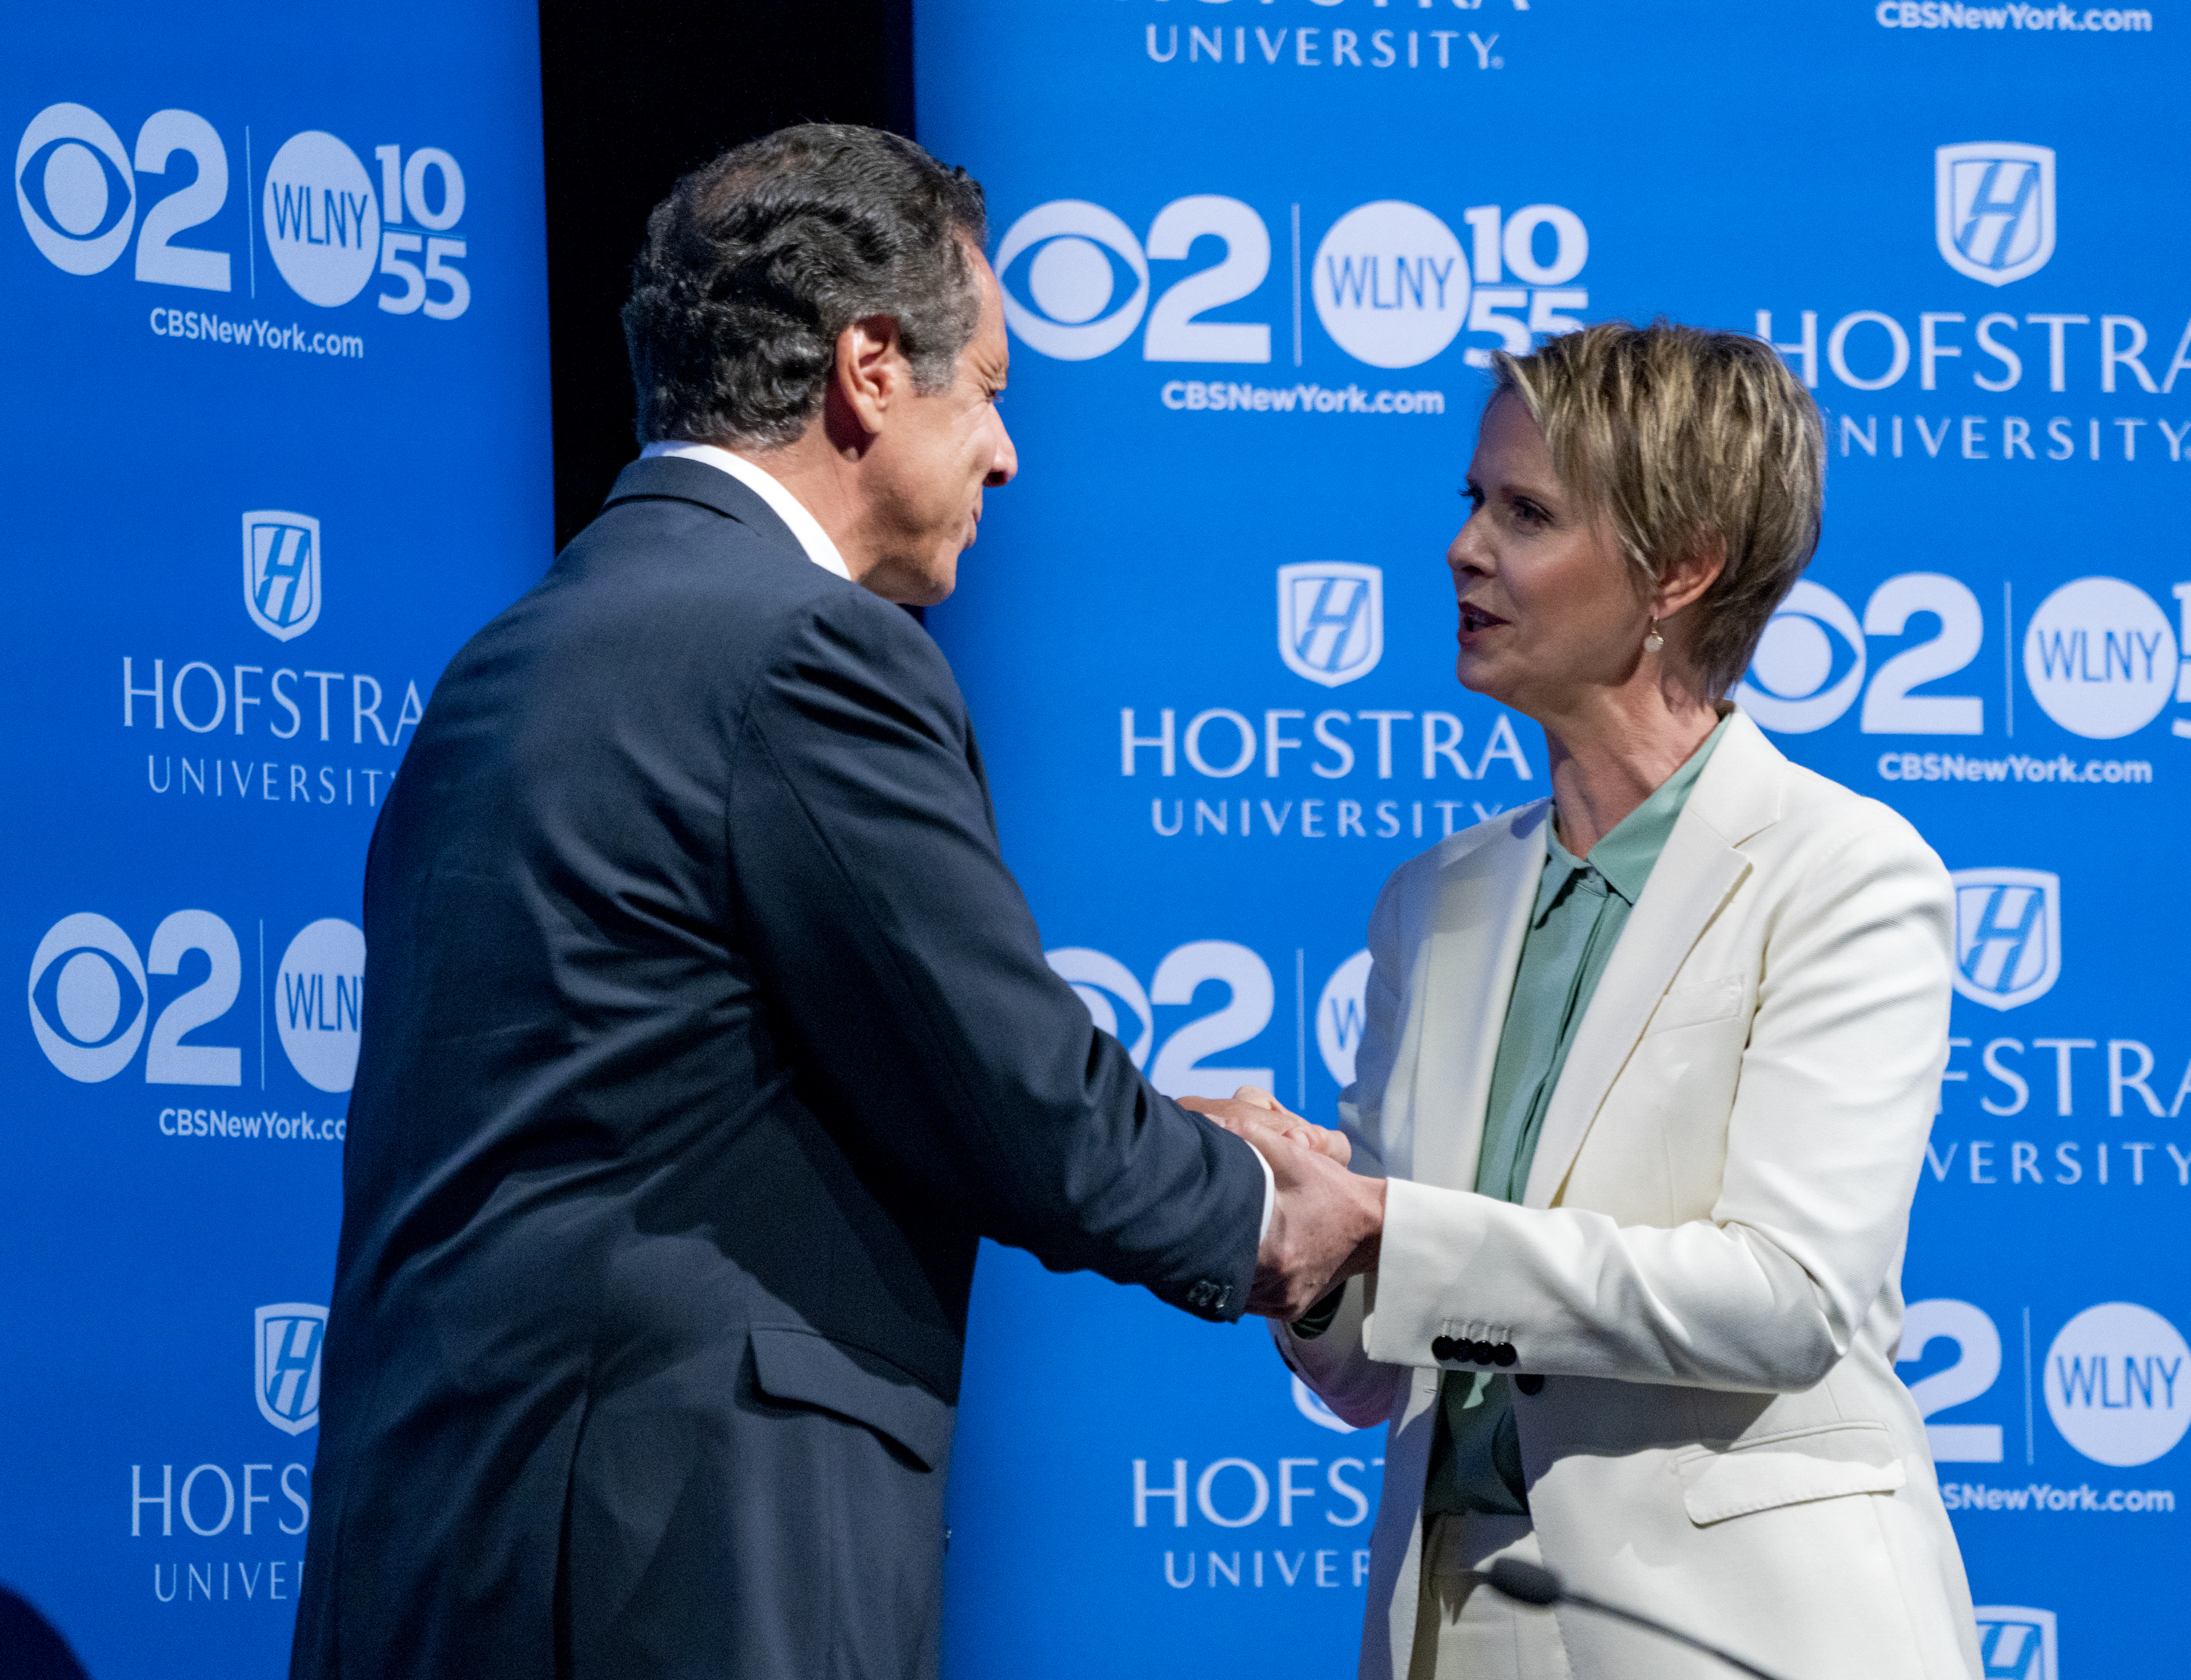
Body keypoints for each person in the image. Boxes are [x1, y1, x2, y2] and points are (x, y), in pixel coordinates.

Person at [289, 126, 1379, 1680]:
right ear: (871, 369)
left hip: (449, 1560)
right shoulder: (805, 651)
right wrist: (1277, 1217)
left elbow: (721, 1090)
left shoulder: (519, 654)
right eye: (990, 387)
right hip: (667, 1573)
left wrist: (1173, 1132)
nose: (1007, 450)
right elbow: (1017, 1100)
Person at [1272, 321, 1982, 1680]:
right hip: (1449, 1622)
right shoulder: (1433, 900)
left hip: (1736, 1631)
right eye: (1473, 501)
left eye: (1525, 512)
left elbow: (1785, 1295)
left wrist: (1386, 1223)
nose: (1464, 548)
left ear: (1683, 568)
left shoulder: (1844, 873)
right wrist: (1291, 1240)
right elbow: (1377, 1371)